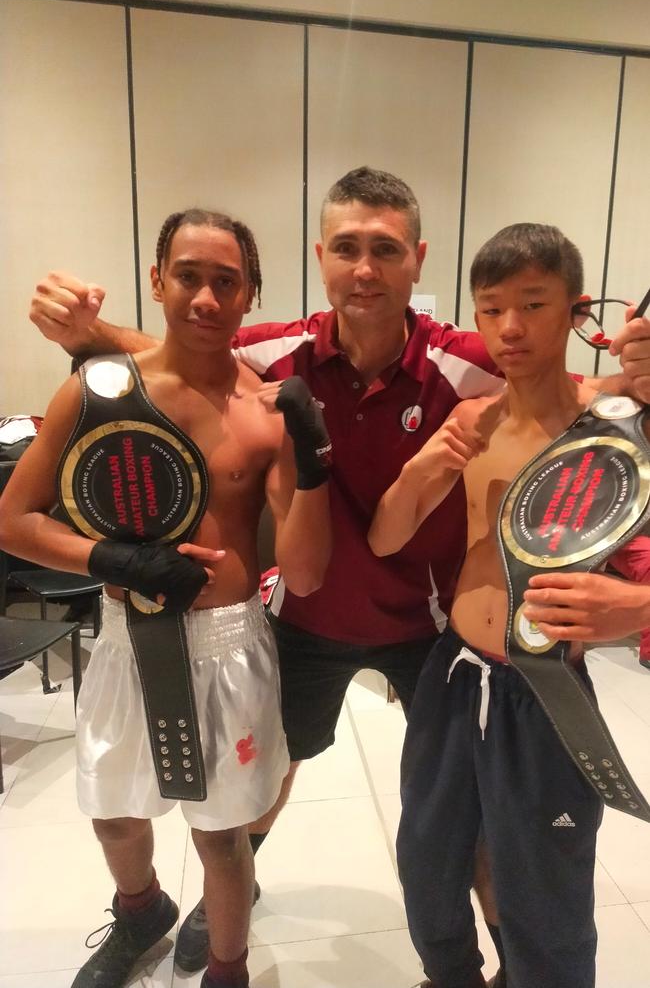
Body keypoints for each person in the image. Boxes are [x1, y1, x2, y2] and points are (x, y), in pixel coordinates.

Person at [27, 168, 650, 977]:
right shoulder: (282, 350)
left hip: (432, 630)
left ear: (417, 260)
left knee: (474, 828)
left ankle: (514, 960)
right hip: (308, 612)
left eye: (385, 249)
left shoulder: (465, 364)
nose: (365, 268)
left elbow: (573, 389)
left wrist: (638, 379)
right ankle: (234, 888)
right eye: (348, 248)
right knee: (273, 763)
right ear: (321, 255)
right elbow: (181, 348)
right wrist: (84, 328)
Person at [0, 208, 332, 988]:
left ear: (251, 295)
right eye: (189, 276)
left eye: (228, 281)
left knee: (222, 837)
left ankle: (228, 968)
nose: (207, 298)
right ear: (157, 280)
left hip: (230, 644)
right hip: (126, 636)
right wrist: (110, 557)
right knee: (114, 811)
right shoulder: (97, 392)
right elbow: (12, 519)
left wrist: (313, 463)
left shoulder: (266, 414)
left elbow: (309, 573)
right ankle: (142, 908)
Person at [369, 222, 650, 988]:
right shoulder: (469, 421)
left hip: (547, 691)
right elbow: (389, 538)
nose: (512, 328)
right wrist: (426, 466)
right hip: (453, 676)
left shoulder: (617, 428)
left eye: (533, 303)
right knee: (429, 858)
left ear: (576, 311)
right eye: (491, 309)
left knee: (545, 890)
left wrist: (635, 607)